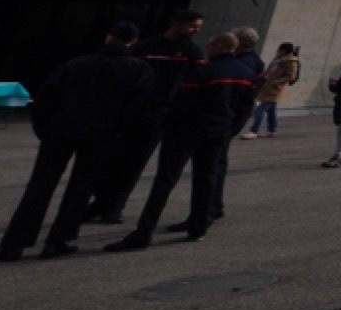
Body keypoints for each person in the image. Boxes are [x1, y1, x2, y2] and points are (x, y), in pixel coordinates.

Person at [0, 24, 151, 261]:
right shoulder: (139, 69)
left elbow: (46, 97)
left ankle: (14, 244)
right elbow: (137, 107)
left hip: (60, 131)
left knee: (39, 186)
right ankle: (59, 240)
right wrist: (119, 133)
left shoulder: (77, 64)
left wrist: (44, 128)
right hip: (102, 136)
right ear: (134, 42)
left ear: (108, 38)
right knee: (81, 187)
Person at [108, 33, 253, 249]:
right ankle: (198, 227)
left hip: (186, 132)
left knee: (164, 181)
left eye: (210, 45)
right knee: (206, 179)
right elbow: (244, 108)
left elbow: (182, 103)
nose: (207, 49)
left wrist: (169, 127)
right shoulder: (246, 74)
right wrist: (230, 131)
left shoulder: (204, 71)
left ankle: (144, 231)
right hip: (218, 133)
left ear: (219, 46)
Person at [94, 10, 206, 223]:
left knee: (136, 160)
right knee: (113, 157)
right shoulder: (147, 46)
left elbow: (196, 83)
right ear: (177, 23)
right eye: (193, 26)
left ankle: (115, 206)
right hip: (133, 109)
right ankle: (100, 202)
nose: (196, 31)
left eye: (198, 27)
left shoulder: (192, 51)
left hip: (161, 112)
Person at [203, 26, 266, 225]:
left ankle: (208, 209)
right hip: (227, 122)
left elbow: (240, 99)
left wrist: (232, 127)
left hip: (222, 122)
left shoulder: (244, 65)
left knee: (213, 167)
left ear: (242, 43)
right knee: (216, 165)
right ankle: (213, 206)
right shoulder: (251, 61)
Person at [244, 41, 299, 138]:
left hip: (275, 89)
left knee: (261, 109)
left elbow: (291, 77)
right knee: (271, 110)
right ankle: (272, 130)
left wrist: (275, 82)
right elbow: (270, 71)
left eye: (279, 50)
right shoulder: (278, 59)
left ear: (284, 51)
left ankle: (254, 131)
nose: (277, 51)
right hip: (268, 86)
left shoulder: (290, 62)